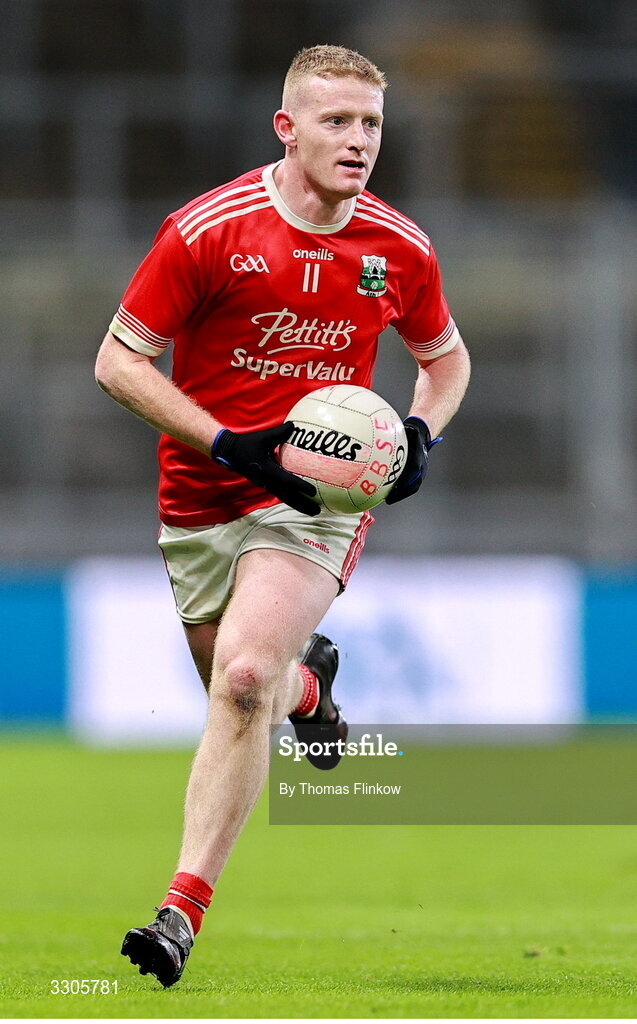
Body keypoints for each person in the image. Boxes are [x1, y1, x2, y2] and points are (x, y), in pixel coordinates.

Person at [95, 43, 471, 988]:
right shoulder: (207, 232)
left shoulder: (399, 247)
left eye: (371, 123)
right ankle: (311, 690)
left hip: (315, 504)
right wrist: (227, 443)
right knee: (244, 690)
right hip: (203, 492)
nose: (357, 140)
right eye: (336, 120)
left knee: (240, 678)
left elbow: (446, 360)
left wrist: (419, 435)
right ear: (286, 128)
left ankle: (178, 914)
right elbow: (117, 361)